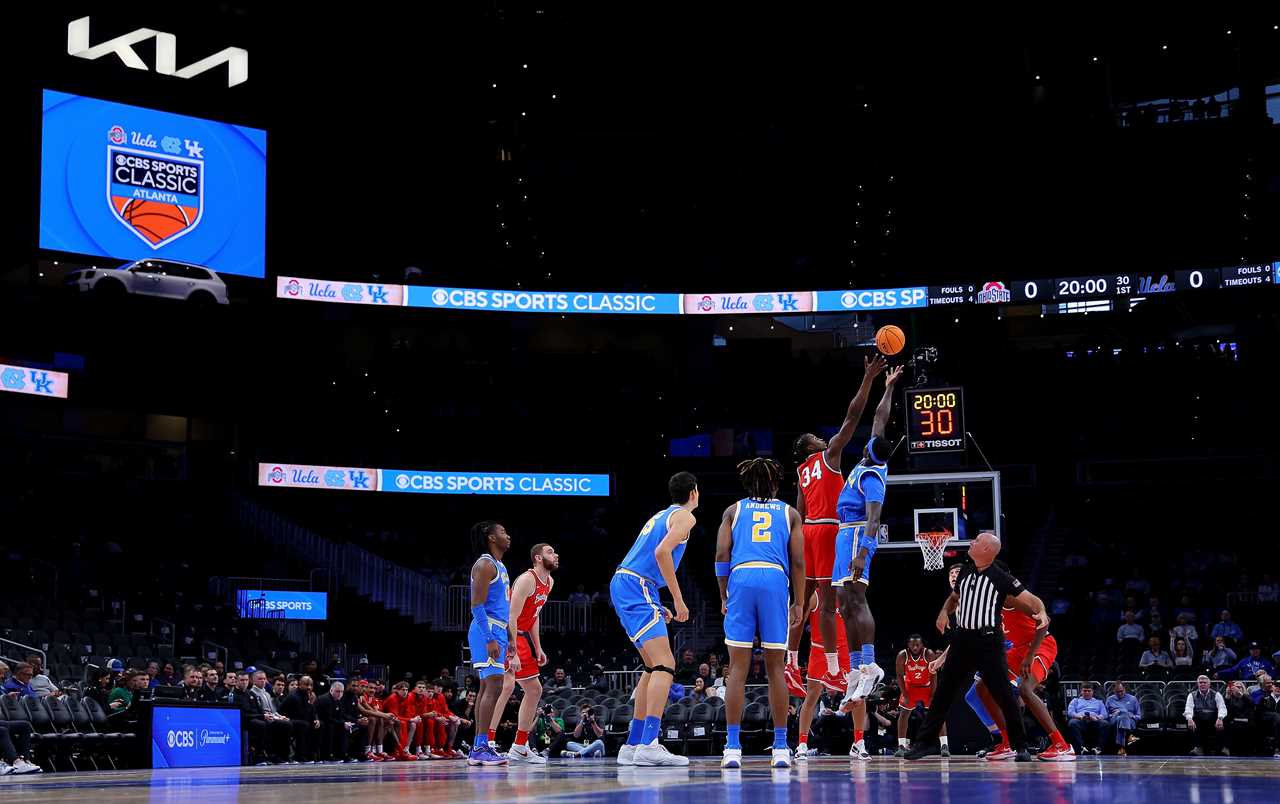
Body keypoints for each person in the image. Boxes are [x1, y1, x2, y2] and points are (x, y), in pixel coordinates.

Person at [785, 354, 887, 698]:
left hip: (808, 532)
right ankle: (836, 668)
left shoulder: (800, 473)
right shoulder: (829, 457)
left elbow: (798, 516)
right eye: (817, 437)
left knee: (809, 602)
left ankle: (803, 662)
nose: (822, 439)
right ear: (811, 447)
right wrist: (869, 379)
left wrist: (795, 550)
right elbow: (854, 415)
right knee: (836, 603)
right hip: (832, 530)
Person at [904, 533, 1045, 761]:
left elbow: (1032, 599)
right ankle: (924, 744)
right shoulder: (966, 573)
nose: (971, 543)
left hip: (989, 641)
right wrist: (943, 612)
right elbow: (953, 597)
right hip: (962, 640)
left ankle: (1020, 746)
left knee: (1004, 694)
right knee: (943, 693)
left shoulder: (1001, 577)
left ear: (988, 550)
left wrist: (1043, 611)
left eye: (977, 541)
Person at [932, 560, 1072, 762]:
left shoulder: (1011, 599)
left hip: (1039, 645)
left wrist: (1030, 656)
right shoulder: (988, 603)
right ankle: (1007, 742)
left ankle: (1061, 744)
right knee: (981, 687)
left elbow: (1043, 623)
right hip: (1016, 649)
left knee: (1025, 689)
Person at [715, 457, 806, 769]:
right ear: (776, 484)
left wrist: (723, 592)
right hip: (774, 579)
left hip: (742, 576)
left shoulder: (733, 510)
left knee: (737, 669)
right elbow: (797, 562)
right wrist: (799, 601)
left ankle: (731, 747)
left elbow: (721, 555)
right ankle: (780, 747)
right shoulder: (789, 513)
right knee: (776, 669)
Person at [610, 471, 698, 768]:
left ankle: (633, 744)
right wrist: (677, 598)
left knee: (651, 665)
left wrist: (656, 601)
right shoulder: (685, 517)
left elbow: (648, 554)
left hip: (629, 583)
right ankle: (649, 743)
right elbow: (662, 552)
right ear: (694, 493)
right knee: (665, 664)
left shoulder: (661, 514)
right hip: (638, 585)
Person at [837, 367, 904, 707]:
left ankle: (871, 663)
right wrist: (888, 387)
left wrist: (863, 553)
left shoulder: (873, 476)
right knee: (842, 603)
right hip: (843, 537)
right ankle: (854, 670)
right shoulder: (873, 456)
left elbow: (874, 519)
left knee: (857, 599)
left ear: (868, 451)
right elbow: (880, 418)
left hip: (855, 536)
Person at [505, 542, 559, 764]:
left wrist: (538, 647)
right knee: (503, 688)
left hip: (521, 635)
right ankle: (486, 742)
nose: (555, 555)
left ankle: (519, 745)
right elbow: (511, 617)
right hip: (505, 632)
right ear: (537, 558)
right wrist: (513, 650)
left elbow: (533, 615)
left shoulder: (550, 582)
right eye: (550, 552)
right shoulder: (527, 580)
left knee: (534, 690)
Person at [466, 520, 513, 767]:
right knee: (493, 687)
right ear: (491, 538)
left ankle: (478, 745)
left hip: (499, 628)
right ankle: (481, 746)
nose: (508, 535)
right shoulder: (485, 564)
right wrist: (490, 637)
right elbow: (476, 605)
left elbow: (502, 606)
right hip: (487, 629)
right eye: (503, 532)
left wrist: (511, 637)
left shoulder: (500, 565)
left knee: (488, 687)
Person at [796, 591, 853, 761]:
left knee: (857, 695)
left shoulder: (847, 593)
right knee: (811, 697)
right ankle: (802, 744)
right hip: (819, 650)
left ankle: (859, 742)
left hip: (843, 650)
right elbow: (798, 623)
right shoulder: (815, 595)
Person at [895, 635, 947, 757]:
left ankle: (944, 745)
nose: (915, 647)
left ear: (922, 645)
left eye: (918, 644)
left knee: (937, 713)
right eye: (912, 644)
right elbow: (899, 676)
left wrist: (933, 694)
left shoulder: (928, 654)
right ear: (908, 645)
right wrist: (905, 694)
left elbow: (933, 675)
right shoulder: (902, 655)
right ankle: (901, 745)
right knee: (904, 713)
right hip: (910, 687)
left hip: (927, 686)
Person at [316, 682, 368, 762]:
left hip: (334, 722)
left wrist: (355, 721)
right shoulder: (326, 700)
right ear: (331, 690)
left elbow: (341, 715)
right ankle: (329, 755)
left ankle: (359, 754)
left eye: (341, 692)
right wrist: (343, 723)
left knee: (361, 727)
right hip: (323, 723)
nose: (339, 694)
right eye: (337, 691)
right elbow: (328, 718)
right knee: (335, 727)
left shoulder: (338, 700)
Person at [281, 675, 322, 763]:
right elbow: (282, 710)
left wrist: (316, 719)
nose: (309, 687)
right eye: (306, 685)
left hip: (301, 720)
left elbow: (312, 711)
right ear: (300, 685)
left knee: (319, 725)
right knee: (304, 725)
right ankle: (299, 756)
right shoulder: (294, 696)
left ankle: (314, 755)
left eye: (311, 685)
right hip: (289, 721)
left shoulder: (307, 695)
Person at [1184, 674, 1227, 756]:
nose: (1202, 684)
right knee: (1190, 721)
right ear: (1197, 684)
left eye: (1204, 682)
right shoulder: (1191, 695)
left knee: (1224, 721)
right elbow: (1188, 708)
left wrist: (1220, 718)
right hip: (1199, 719)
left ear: (1209, 684)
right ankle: (1198, 748)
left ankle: (1220, 749)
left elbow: (1222, 707)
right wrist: (1189, 719)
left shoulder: (1217, 694)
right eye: (1200, 683)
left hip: (1212, 719)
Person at [1066, 686, 1113, 755]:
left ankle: (1098, 748)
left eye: (1089, 691)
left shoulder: (1099, 702)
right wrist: (1079, 717)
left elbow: (1105, 714)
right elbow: (1070, 712)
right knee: (1072, 723)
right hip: (1081, 720)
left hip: (1095, 720)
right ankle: (1081, 748)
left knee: (1105, 724)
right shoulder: (1075, 701)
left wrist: (1097, 717)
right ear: (1081, 692)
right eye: (1085, 691)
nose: (1087, 692)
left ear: (1092, 692)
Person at [1105, 682, 1141, 756]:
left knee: (1123, 716)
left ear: (1125, 689)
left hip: (1130, 721)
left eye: (1122, 691)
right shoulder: (1110, 699)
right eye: (1117, 692)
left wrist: (1128, 715)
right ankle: (1130, 735)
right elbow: (1106, 715)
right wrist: (1114, 714)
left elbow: (1138, 716)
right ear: (1114, 691)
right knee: (1121, 716)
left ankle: (1121, 748)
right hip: (1114, 720)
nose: (1120, 693)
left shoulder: (1133, 699)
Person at [1223, 681, 1255, 756]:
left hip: (1246, 720)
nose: (1237, 689)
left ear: (1243, 688)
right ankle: (1226, 748)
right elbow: (1225, 709)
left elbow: (1252, 705)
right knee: (1226, 724)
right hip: (1233, 720)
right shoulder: (1230, 698)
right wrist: (1227, 695)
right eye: (1235, 687)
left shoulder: (1246, 696)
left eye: (1239, 687)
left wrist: (1240, 694)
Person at [1256, 677, 1280, 757]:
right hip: (1265, 721)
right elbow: (1259, 711)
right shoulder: (1265, 697)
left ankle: (1276, 748)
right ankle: (1277, 748)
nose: (1278, 688)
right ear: (1273, 687)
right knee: (1276, 716)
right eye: (1276, 686)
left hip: (1276, 724)